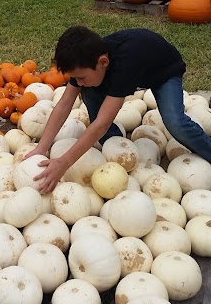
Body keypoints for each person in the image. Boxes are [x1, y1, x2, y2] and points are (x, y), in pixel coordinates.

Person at [28, 26, 211, 194]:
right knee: (90, 92)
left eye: (81, 77)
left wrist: (64, 162)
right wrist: (41, 147)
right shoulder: (86, 61)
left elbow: (101, 124)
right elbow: (64, 104)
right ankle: (116, 147)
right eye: (76, 78)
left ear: (103, 62)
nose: (79, 82)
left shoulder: (126, 63)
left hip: (164, 72)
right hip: (128, 70)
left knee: (175, 122)